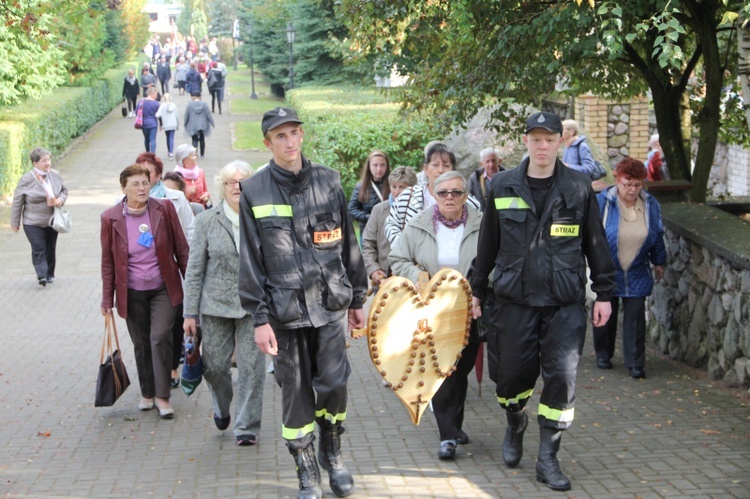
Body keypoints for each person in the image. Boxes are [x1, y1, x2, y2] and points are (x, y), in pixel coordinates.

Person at [468, 111, 616, 491]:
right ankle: (515, 422)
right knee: (511, 380)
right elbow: (488, 245)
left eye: (549, 138)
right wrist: (476, 290)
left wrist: (604, 293)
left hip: (563, 303)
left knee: (561, 379)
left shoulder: (580, 187)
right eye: (536, 138)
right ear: (526, 142)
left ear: (560, 142)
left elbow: (595, 244)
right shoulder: (501, 186)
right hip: (513, 303)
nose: (543, 145)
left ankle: (548, 457)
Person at [238, 107, 367, 499]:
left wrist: (359, 298)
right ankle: (306, 470)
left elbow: (349, 244)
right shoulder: (254, 190)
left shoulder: (329, 181)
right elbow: (251, 259)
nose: (289, 141)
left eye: (294, 133)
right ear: (268, 142)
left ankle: (333, 451)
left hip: (329, 305)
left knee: (334, 385)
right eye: (280, 136)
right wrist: (259, 319)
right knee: (295, 396)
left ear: (302, 135)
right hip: (284, 313)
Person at [389, 171, 482, 460]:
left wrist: (481, 287)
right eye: (443, 193)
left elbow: (493, 259)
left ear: (466, 196)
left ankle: (455, 425)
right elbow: (397, 258)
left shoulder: (483, 224)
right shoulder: (418, 226)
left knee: (461, 368)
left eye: (456, 192)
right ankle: (447, 436)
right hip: (433, 311)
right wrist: (417, 275)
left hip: (471, 308)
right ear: (435, 196)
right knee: (442, 371)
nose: (450, 197)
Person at [183, 161, 266, 446]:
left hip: (253, 304)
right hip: (215, 304)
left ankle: (246, 426)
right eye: (231, 181)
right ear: (223, 186)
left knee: (252, 367)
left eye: (243, 181)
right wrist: (189, 313)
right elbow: (194, 270)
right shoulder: (207, 220)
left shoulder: (261, 218)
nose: (237, 186)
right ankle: (222, 405)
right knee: (215, 367)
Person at [100, 165, 189, 419]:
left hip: (163, 288)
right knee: (141, 344)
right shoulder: (110, 218)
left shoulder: (164, 209)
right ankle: (147, 393)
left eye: (145, 183)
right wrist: (107, 298)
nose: (142, 188)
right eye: (136, 184)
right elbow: (107, 262)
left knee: (159, 337)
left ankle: (163, 397)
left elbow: (182, 250)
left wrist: (192, 288)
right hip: (132, 291)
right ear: (123, 188)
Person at [594, 157, 667, 379]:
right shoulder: (602, 202)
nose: (632, 189)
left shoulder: (650, 204)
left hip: (636, 268)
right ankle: (603, 355)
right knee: (606, 315)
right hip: (607, 268)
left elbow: (657, 234)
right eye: (627, 184)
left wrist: (659, 261)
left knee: (635, 319)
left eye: (637, 184)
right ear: (617, 181)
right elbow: (591, 234)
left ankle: (635, 363)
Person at [385, 143, 481, 245]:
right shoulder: (408, 196)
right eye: (435, 165)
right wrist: (405, 249)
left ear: (453, 170)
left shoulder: (469, 202)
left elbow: (478, 233)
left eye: (446, 165)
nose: (440, 170)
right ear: (426, 169)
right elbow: (391, 224)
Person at [10, 147, 68, 286]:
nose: (48, 163)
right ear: (35, 163)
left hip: (51, 219)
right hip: (32, 221)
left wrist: (60, 200)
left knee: (50, 247)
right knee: (38, 247)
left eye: (48, 159)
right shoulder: (26, 179)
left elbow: (64, 191)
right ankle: (41, 274)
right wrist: (15, 222)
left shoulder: (54, 174)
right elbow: (18, 201)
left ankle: (49, 274)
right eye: (44, 161)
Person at [361, 166, 418, 288]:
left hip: (413, 280)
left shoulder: (421, 211)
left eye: (402, 187)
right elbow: (368, 243)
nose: (396, 192)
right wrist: (373, 269)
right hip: (385, 278)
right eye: (394, 187)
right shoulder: (379, 210)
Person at [348, 150, 391, 239]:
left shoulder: (393, 185)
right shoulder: (360, 187)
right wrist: (370, 218)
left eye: (382, 165)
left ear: (387, 166)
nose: (379, 169)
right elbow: (352, 210)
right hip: (367, 233)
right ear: (369, 166)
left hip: (388, 233)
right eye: (375, 165)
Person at [184, 92, 214, 159]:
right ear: (200, 97)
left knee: (194, 139)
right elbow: (208, 114)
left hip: (193, 125)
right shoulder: (204, 104)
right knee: (202, 139)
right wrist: (212, 123)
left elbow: (186, 115)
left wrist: (185, 123)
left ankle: (194, 153)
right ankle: (202, 154)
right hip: (202, 125)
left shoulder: (189, 105)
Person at [156, 93, 179, 160]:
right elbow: (177, 116)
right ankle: (171, 152)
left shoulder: (162, 106)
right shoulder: (174, 105)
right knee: (171, 137)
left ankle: (169, 151)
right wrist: (177, 124)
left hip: (166, 124)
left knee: (168, 137)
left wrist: (161, 123)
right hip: (173, 123)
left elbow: (157, 115)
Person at [138, 87, 161, 153]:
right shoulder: (156, 104)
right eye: (156, 95)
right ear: (152, 94)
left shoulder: (141, 101)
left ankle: (147, 152)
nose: (156, 96)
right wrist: (161, 124)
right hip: (153, 124)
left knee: (146, 139)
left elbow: (137, 111)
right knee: (153, 139)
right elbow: (159, 115)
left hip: (144, 124)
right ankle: (152, 154)